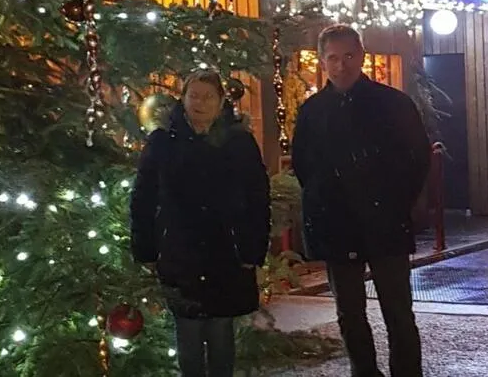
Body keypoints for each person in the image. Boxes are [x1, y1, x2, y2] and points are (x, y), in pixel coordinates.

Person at [292, 24, 431, 377]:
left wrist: (398, 202)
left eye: (349, 56)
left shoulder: (393, 104)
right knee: (349, 313)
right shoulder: (312, 112)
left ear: (362, 57)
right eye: (333, 58)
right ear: (322, 61)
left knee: (397, 310)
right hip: (337, 224)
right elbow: (304, 165)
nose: (342, 66)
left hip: (385, 220)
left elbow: (417, 158)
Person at [130, 70, 270, 377]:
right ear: (183, 98)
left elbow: (257, 199)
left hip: (226, 252)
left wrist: (252, 249)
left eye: (208, 97)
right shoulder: (163, 142)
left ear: (221, 101)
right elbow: (143, 198)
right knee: (188, 337)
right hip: (180, 251)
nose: (200, 103)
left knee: (221, 334)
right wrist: (146, 249)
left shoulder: (239, 142)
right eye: (194, 95)